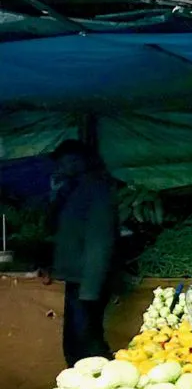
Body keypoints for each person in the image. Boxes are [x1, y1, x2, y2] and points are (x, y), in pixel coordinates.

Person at [48, 140, 117, 366]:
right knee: (76, 340)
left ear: (79, 161)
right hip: (73, 278)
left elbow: (100, 240)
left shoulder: (96, 189)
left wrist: (90, 289)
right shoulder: (75, 189)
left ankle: (102, 384)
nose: (60, 167)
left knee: (88, 341)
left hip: (84, 282)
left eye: (65, 162)